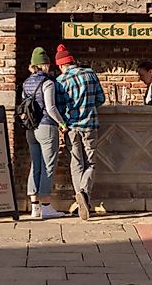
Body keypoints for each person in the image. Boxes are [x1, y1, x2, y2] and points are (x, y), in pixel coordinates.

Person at [54, 44, 105, 221]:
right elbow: (101, 99)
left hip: (71, 127)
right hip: (90, 125)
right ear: (73, 61)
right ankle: (84, 193)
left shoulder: (60, 81)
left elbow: (59, 108)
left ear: (61, 65)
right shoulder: (90, 74)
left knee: (76, 164)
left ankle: (79, 196)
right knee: (91, 162)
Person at [22, 47, 67, 220]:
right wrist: (62, 123)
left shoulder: (26, 83)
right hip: (46, 127)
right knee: (48, 166)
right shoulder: (48, 83)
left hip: (30, 129)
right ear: (45, 65)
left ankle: (35, 207)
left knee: (35, 165)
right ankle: (46, 206)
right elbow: (51, 107)